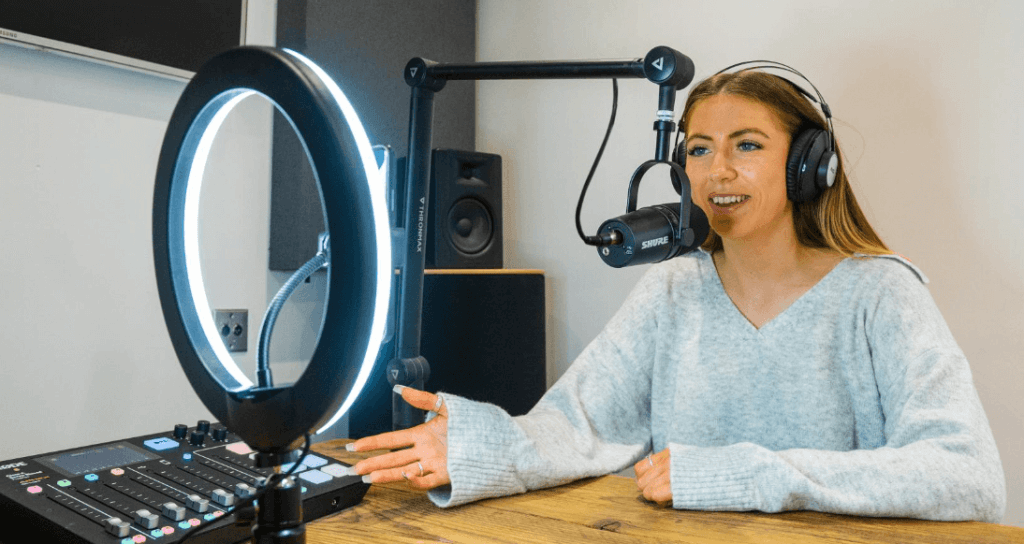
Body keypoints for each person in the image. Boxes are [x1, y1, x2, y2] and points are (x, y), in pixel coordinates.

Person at [345, 68, 1007, 522]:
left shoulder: (881, 293)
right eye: (698, 149)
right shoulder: (672, 288)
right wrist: (472, 445)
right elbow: (578, 425)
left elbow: (968, 473)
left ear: (809, 164)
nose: (718, 171)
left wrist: (747, 474)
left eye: (747, 145)